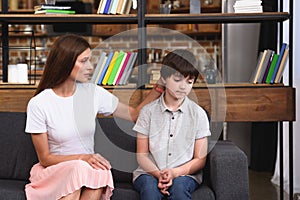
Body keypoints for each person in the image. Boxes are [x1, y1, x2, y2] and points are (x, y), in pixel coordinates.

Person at [25, 34, 164, 200]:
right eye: (84, 61)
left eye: (90, 60)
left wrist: (159, 88)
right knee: (80, 173)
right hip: (55, 171)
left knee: (98, 172)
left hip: (88, 170)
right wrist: (83, 158)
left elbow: (134, 115)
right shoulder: (39, 103)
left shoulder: (93, 93)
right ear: (66, 62)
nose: (90, 67)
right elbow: (45, 159)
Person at [132, 49, 211, 200]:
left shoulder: (198, 114)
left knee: (180, 189)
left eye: (189, 81)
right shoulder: (147, 112)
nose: (183, 87)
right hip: (149, 173)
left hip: (185, 174)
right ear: (164, 78)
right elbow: (141, 155)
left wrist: (174, 173)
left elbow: (200, 159)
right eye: (177, 79)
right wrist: (158, 174)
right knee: (150, 190)